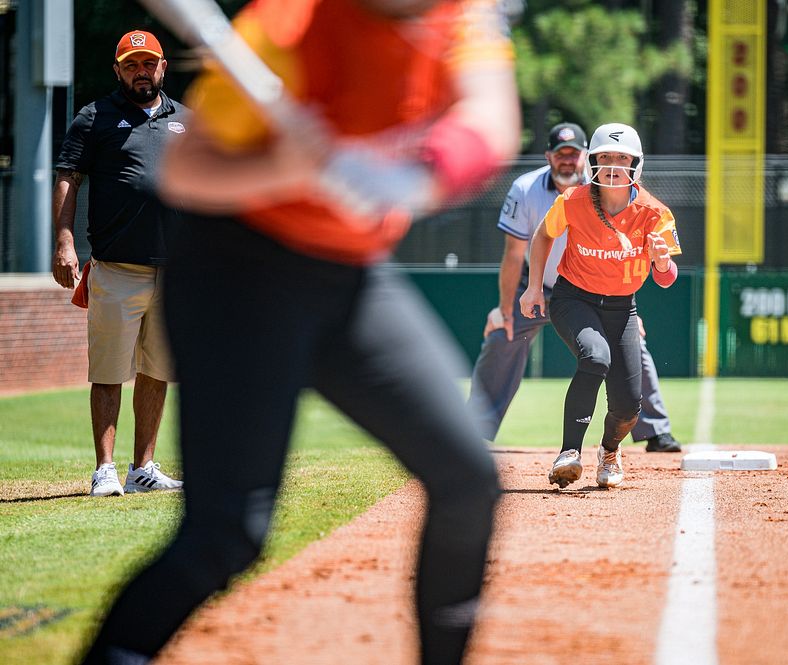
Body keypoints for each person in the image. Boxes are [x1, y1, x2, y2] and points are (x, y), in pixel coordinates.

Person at [80, 1, 519, 664]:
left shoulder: (458, 14)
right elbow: (184, 171)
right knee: (228, 534)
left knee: (466, 478)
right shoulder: (283, 32)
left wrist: (418, 176)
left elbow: (491, 116)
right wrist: (290, 169)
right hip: (237, 272)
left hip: (348, 274)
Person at [468, 122, 683, 453]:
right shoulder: (530, 190)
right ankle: (473, 432)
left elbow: (638, 261)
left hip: (607, 293)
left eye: (573, 154)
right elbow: (514, 253)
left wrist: (629, 306)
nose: (567, 161)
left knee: (633, 350)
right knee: (502, 336)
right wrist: (507, 305)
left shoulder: (624, 192)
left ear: (584, 157)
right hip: (547, 283)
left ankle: (655, 430)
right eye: (560, 155)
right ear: (549, 157)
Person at [52, 30, 186, 497]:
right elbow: (68, 177)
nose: (141, 72)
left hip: (175, 272)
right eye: (132, 65)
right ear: (118, 70)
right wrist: (65, 241)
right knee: (108, 371)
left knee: (158, 370)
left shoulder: (185, 121)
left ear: (163, 67)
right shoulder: (95, 117)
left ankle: (142, 468)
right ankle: (105, 469)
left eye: (148, 63)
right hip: (116, 269)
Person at [520, 123, 682, 489]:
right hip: (573, 298)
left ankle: (609, 451)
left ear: (636, 164)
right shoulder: (573, 201)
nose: (612, 165)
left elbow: (668, 277)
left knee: (628, 407)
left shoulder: (655, 213)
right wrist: (533, 288)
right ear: (591, 161)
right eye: (604, 157)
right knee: (595, 357)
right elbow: (544, 234)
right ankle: (568, 453)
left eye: (621, 158)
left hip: (623, 307)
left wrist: (660, 261)